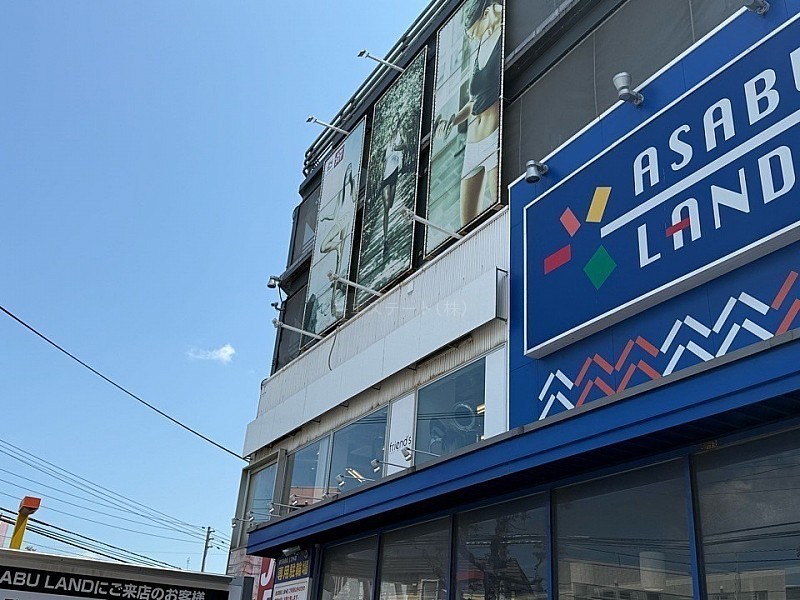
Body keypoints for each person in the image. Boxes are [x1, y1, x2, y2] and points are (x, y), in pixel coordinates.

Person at [435, 0, 503, 227]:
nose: (473, 37)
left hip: (494, 140)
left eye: (474, 31)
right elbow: (474, 102)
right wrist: (453, 120)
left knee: (501, 212)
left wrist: (497, 11)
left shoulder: (504, 33)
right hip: (472, 147)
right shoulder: (482, 44)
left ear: (486, 14)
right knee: (466, 227)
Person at [319, 162, 356, 317]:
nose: (348, 174)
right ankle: (337, 245)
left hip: (346, 222)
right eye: (347, 172)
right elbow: (334, 214)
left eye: (350, 172)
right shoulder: (341, 193)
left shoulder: (352, 188)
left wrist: (353, 183)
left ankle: (334, 305)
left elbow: (354, 201)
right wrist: (324, 217)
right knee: (323, 247)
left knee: (338, 265)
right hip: (340, 221)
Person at [380, 129, 405, 258]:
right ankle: (385, 239)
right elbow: (382, 161)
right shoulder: (387, 146)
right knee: (386, 208)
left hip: (394, 176)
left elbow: (404, 145)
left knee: (390, 205)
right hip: (386, 178)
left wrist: (398, 146)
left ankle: (386, 238)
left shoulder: (399, 140)